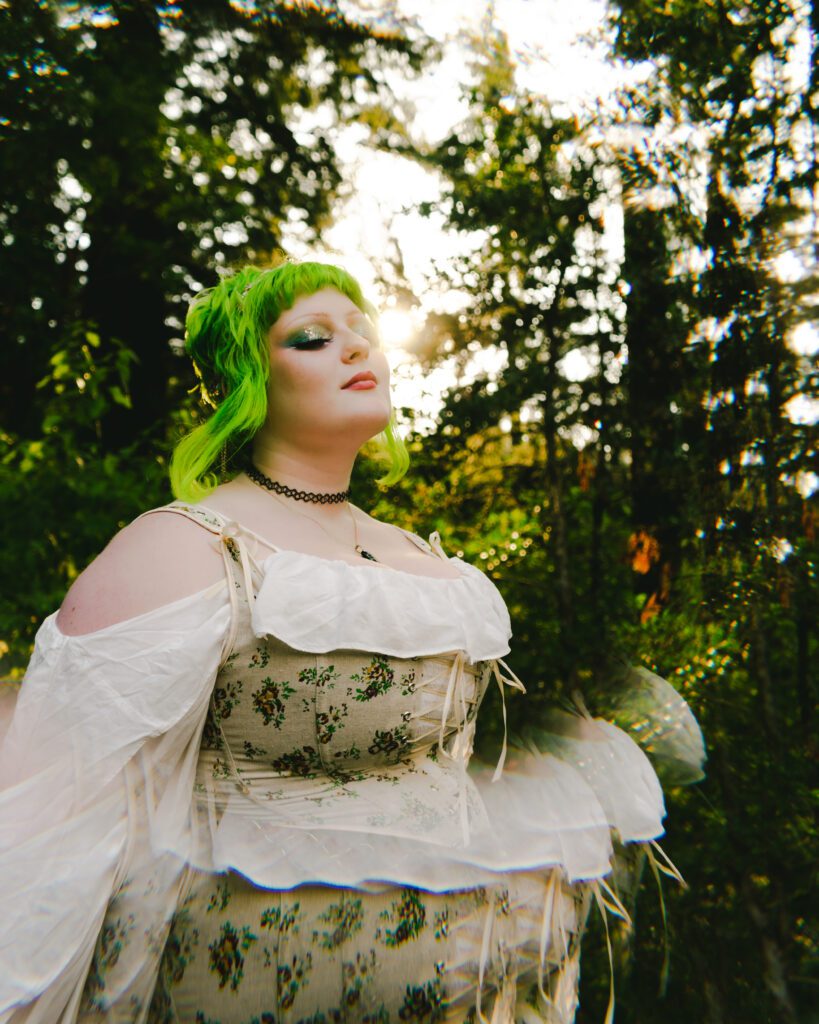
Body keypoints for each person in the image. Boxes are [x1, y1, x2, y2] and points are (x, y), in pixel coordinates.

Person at [0, 260, 703, 1024]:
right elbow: (58, 814)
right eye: (311, 338)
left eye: (363, 330)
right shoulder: (186, 548)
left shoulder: (426, 562)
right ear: (247, 380)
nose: (357, 347)